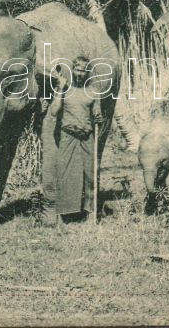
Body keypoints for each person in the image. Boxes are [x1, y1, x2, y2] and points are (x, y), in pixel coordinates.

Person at [41, 56, 103, 225]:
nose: (79, 73)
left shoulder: (93, 91)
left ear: (87, 72)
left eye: (83, 70)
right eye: (77, 69)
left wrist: (98, 117)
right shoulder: (65, 88)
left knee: (90, 174)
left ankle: (90, 213)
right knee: (65, 173)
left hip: (86, 136)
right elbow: (54, 112)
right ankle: (63, 215)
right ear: (73, 70)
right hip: (67, 136)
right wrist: (60, 89)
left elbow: (97, 114)